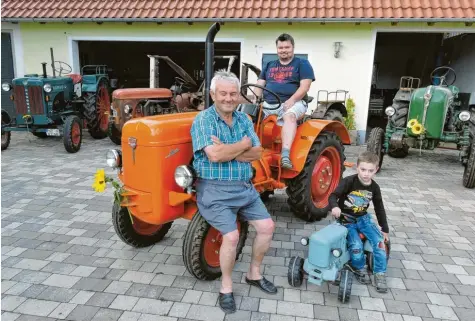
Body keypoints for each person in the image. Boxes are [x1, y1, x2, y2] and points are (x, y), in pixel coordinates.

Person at [190, 70, 277, 314]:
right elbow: (215, 156)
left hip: (244, 188)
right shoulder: (204, 120)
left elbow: (258, 153)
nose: (228, 98)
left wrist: (230, 151)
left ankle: (253, 274)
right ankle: (226, 287)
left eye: (233, 93)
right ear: (212, 94)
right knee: (231, 237)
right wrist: (242, 146)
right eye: (223, 93)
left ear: (239, 95)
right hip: (214, 190)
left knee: (267, 227)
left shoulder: (244, 121)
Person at [328, 151, 389, 293]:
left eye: (370, 170)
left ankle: (379, 273)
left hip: (363, 219)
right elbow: (333, 196)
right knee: (355, 246)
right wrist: (335, 206)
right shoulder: (349, 181)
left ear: (376, 170)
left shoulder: (374, 188)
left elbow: (379, 208)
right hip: (346, 219)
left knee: (380, 243)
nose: (366, 174)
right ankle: (359, 267)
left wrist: (384, 228)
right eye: (363, 169)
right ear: (357, 168)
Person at [253, 33, 315, 169]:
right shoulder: (269, 65)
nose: (283, 50)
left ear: (293, 47)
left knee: (290, 116)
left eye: (287, 47)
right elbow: (259, 85)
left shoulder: (302, 63)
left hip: (294, 102)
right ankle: (249, 149)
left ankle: (285, 154)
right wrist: (254, 102)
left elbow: (305, 86)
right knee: (249, 116)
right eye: (280, 47)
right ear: (277, 49)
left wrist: (292, 100)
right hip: (269, 103)